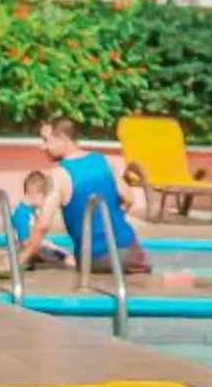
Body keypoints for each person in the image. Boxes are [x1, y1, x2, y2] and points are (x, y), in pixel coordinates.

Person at [20, 116, 150, 275]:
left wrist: (21, 259)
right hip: (131, 250)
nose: (43, 146)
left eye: (46, 140)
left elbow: (42, 226)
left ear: (62, 139)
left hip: (95, 258)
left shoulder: (59, 176)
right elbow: (129, 198)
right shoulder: (102, 161)